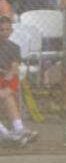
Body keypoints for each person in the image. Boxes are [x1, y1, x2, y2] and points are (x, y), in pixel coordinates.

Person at [0, 16, 35, 146]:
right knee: (6, 94)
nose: (4, 32)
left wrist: (9, 74)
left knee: (7, 95)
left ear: (11, 30)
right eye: (1, 30)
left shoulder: (14, 47)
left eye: (7, 29)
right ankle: (6, 134)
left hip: (7, 79)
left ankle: (18, 129)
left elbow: (14, 66)